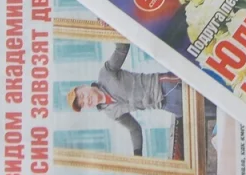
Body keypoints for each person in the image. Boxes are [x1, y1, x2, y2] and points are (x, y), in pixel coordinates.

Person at [66, 43, 215, 156]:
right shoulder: (110, 113)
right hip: (167, 105)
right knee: (213, 112)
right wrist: (138, 155)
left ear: (84, 86)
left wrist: (110, 24)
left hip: (167, 86)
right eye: (83, 104)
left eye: (82, 96)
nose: (86, 100)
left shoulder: (106, 73)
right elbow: (134, 129)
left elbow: (122, 47)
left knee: (213, 95)